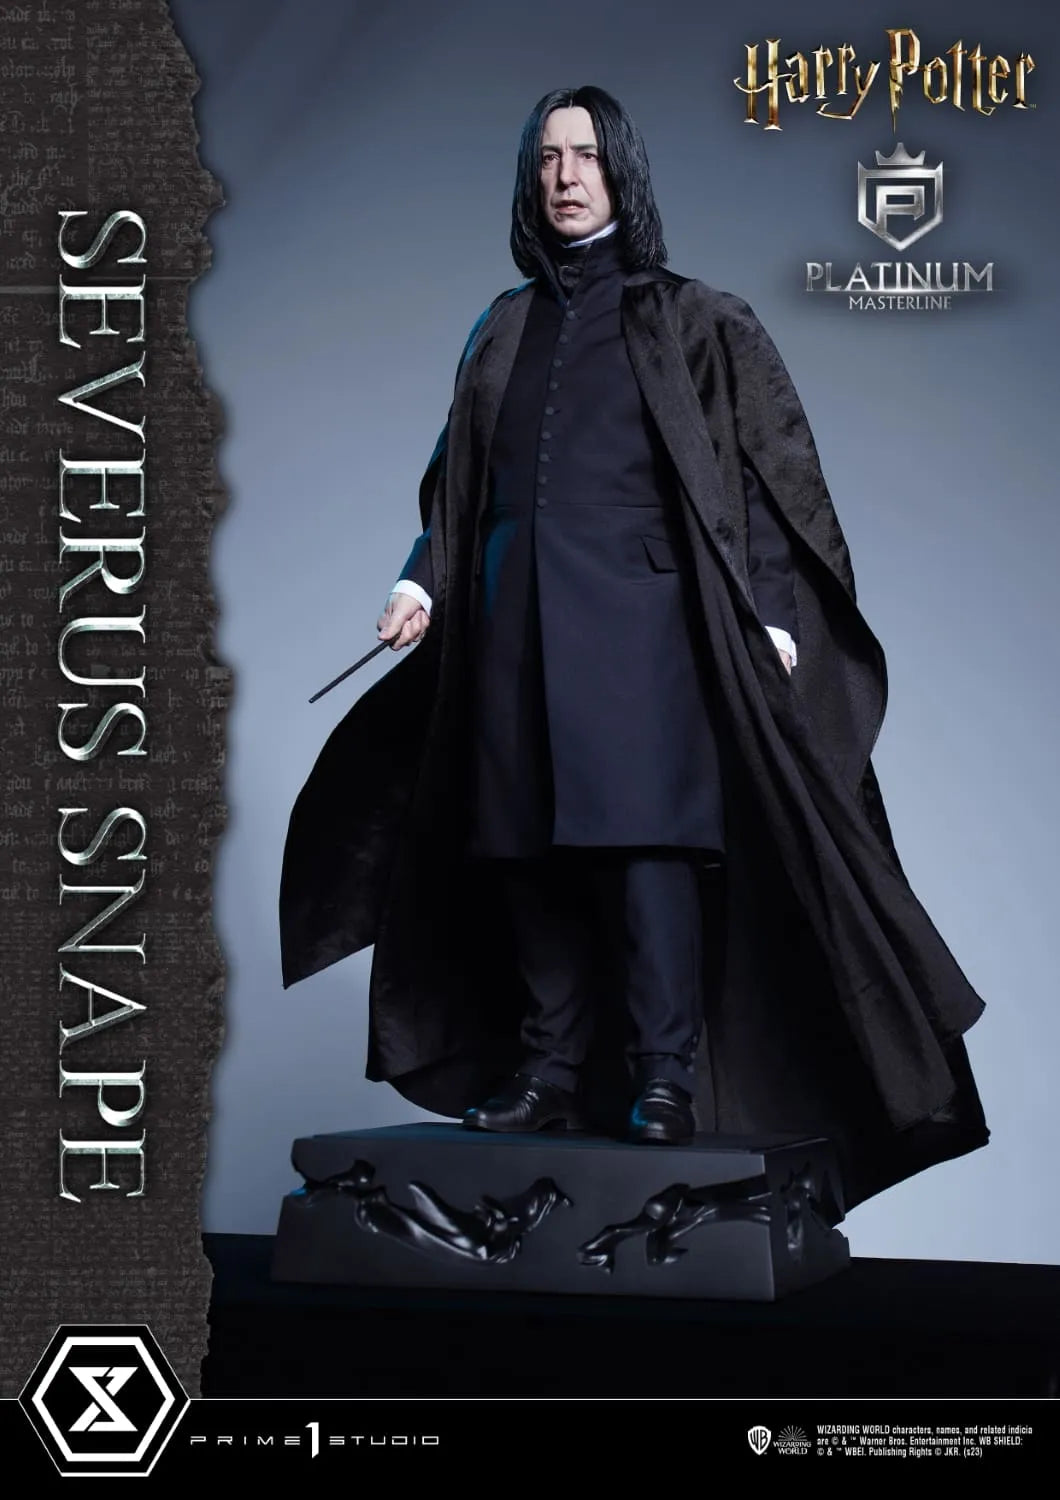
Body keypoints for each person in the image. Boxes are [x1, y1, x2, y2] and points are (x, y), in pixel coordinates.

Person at [280, 87, 987, 1208]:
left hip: (644, 630)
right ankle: (549, 1072)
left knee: (644, 852)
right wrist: (421, 579)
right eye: (549, 159)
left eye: (587, 156)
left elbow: (764, 485)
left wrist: (771, 615)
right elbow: (461, 476)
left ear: (621, 173)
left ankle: (663, 1077)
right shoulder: (502, 326)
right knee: (523, 851)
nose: (566, 177)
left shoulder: (695, 319)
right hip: (512, 626)